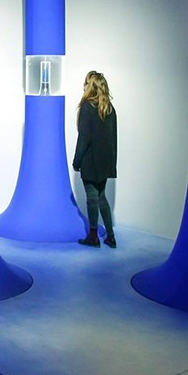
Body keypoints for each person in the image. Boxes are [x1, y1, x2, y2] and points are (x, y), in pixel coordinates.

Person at [72, 70, 117, 248]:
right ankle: (111, 236)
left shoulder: (87, 107)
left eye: (85, 83)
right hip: (105, 161)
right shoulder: (109, 108)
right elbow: (113, 138)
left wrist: (76, 161)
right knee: (101, 196)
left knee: (92, 198)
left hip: (90, 161)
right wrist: (112, 163)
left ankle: (93, 237)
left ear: (90, 86)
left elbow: (84, 138)